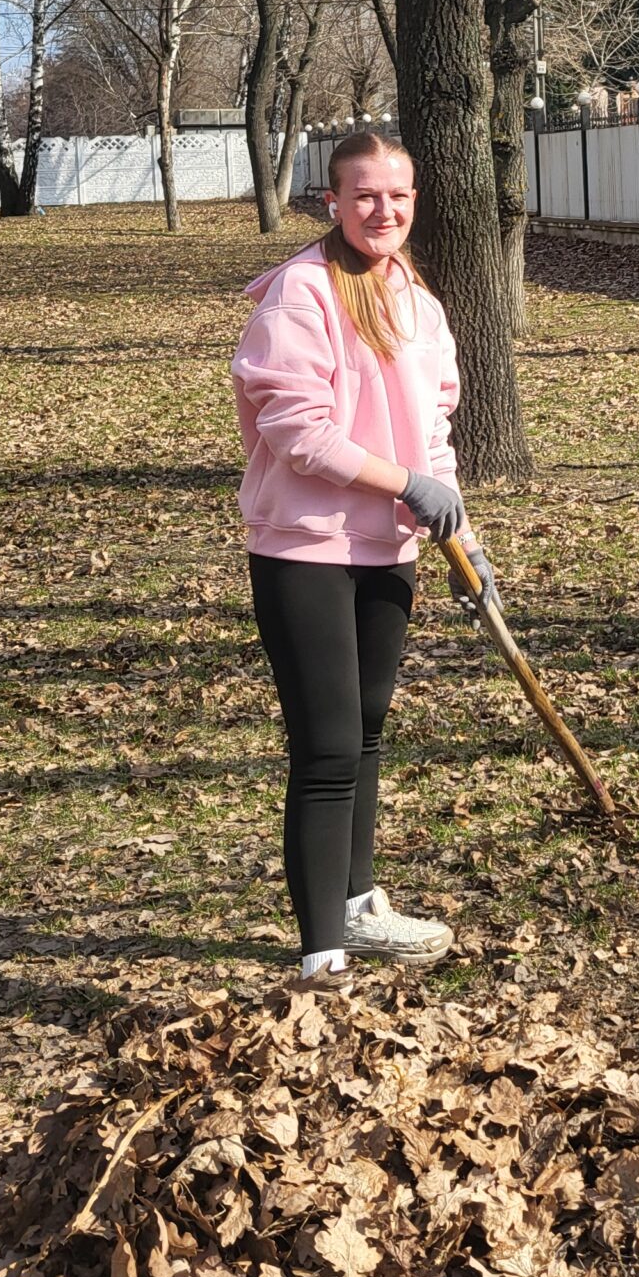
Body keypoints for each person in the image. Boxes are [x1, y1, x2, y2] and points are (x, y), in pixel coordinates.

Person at [231, 129, 497, 990]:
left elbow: (433, 432)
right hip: (304, 547)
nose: (384, 210)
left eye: (398, 195)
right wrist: (405, 483)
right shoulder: (300, 293)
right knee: (328, 748)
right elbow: (298, 432)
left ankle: (356, 904)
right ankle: (322, 960)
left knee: (368, 732)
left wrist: (461, 538)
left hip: (391, 548)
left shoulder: (416, 299)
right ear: (334, 202)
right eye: (366, 195)